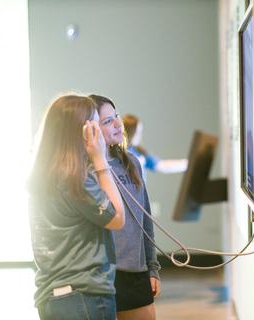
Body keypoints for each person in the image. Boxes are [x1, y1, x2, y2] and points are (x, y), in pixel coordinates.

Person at [27, 94, 126, 320]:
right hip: (84, 297)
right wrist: (100, 160)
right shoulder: (75, 178)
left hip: (52, 297)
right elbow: (118, 218)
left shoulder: (45, 174)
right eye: (95, 124)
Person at [89, 94, 161, 320]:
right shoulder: (87, 171)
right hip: (103, 274)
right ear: (90, 129)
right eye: (107, 121)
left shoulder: (132, 162)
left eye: (116, 117)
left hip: (136, 272)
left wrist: (153, 267)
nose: (118, 124)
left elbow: (145, 220)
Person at [122, 114, 188, 183]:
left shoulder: (140, 153)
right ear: (130, 131)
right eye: (137, 132)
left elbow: (162, 165)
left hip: (140, 193)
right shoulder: (120, 152)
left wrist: (187, 164)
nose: (140, 135)